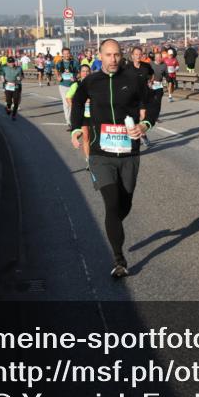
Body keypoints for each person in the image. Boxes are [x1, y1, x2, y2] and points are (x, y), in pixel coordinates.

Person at [69, 39, 160, 278]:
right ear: (100, 56)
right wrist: (76, 128)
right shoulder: (91, 81)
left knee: (124, 203)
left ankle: (114, 225)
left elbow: (153, 102)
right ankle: (119, 260)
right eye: (108, 55)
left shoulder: (134, 79)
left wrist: (145, 124)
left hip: (129, 153)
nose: (113, 59)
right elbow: (77, 103)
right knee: (111, 203)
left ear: (122, 56)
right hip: (101, 154)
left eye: (117, 55)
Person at [66, 64, 93, 162]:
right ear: (80, 73)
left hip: (94, 114)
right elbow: (68, 97)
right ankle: (88, 160)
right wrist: (75, 107)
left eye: (87, 71)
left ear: (90, 73)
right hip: (83, 114)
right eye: (83, 71)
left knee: (95, 138)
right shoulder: (76, 85)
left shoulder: (95, 84)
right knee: (86, 136)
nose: (85, 73)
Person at [56, 47, 80, 128]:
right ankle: (69, 121)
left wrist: (76, 78)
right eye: (65, 54)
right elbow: (56, 71)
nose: (66, 55)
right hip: (63, 85)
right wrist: (58, 77)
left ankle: (73, 119)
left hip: (73, 85)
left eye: (68, 53)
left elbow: (79, 73)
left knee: (73, 103)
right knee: (66, 104)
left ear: (70, 54)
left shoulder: (75, 63)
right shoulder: (59, 63)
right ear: (62, 54)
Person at [1, 56, 24, 120]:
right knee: (9, 101)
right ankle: (8, 108)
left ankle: (14, 115)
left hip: (16, 86)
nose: (11, 64)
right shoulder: (4, 68)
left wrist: (20, 79)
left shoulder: (19, 68)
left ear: (14, 62)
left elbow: (22, 76)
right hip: (8, 86)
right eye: (10, 62)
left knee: (16, 101)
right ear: (7, 63)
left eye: (12, 62)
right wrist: (3, 80)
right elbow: (2, 75)